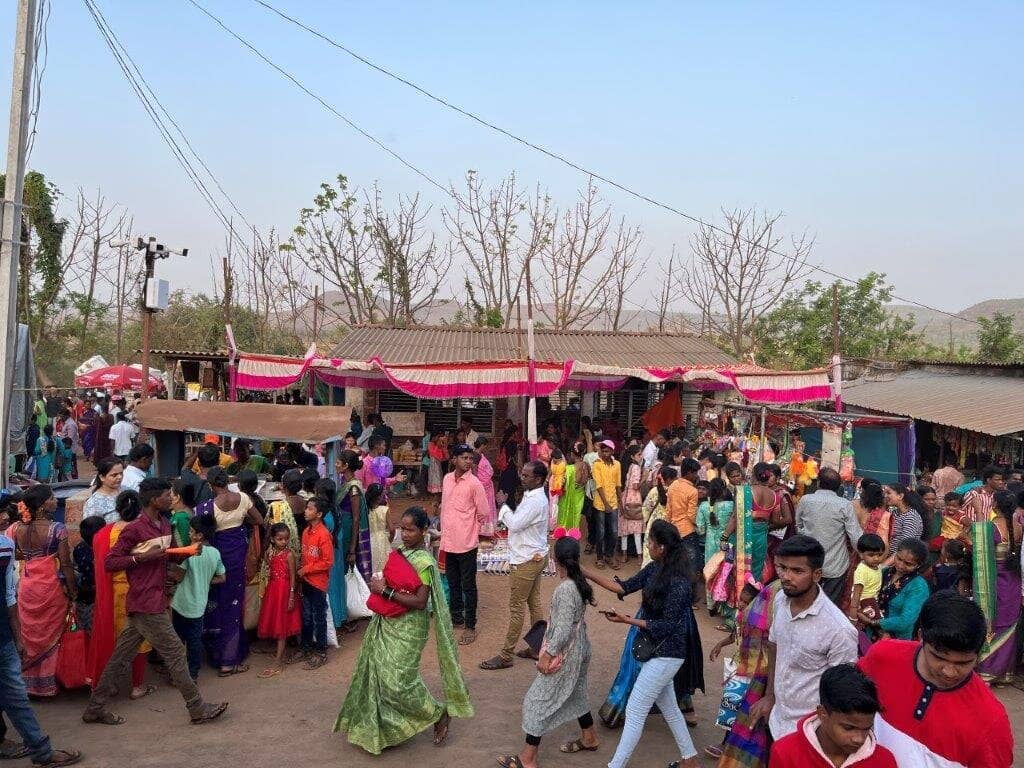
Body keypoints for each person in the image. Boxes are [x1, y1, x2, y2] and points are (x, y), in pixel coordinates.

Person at [82, 478, 228, 726]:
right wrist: (142, 559)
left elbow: (166, 557)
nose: (171, 497)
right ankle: (196, 707)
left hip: (152, 599)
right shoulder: (134, 529)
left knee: (120, 657)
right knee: (175, 654)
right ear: (153, 500)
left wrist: (185, 553)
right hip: (145, 602)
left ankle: (94, 708)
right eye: (166, 494)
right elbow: (110, 562)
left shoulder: (163, 524)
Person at [334, 506, 473, 754]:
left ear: (423, 530)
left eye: (410, 530)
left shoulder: (424, 562)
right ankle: (386, 730)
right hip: (387, 622)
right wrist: (382, 584)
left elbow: (420, 602)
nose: (405, 534)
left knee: (399, 682)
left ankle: (438, 713)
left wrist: (383, 590)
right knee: (379, 675)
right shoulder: (401, 554)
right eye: (402, 528)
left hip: (410, 627)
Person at [581, 520, 701, 767]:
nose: (648, 546)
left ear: (663, 547)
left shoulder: (680, 582)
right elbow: (623, 586)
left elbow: (667, 626)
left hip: (668, 653)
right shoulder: (654, 568)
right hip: (657, 651)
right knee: (669, 707)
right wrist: (583, 571)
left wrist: (627, 621)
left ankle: (615, 766)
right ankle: (690, 759)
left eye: (651, 542)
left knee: (635, 710)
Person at [858, 592, 1013, 766]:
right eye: (939, 657)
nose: (949, 672)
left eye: (964, 663)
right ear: (921, 636)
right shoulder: (882, 658)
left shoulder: (991, 722)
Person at [496, 535, 598, 768]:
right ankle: (590, 737)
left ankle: (528, 758)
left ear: (555, 560)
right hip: (581, 649)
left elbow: (561, 630)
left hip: (565, 654)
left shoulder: (565, 589)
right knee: (577, 693)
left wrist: (546, 654)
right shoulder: (579, 584)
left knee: (536, 701)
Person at [748, 534, 857, 740]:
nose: (786, 577)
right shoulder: (781, 599)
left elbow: (841, 692)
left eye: (797, 571)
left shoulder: (839, 630)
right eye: (783, 568)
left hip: (809, 734)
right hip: (776, 721)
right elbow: (774, 646)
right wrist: (769, 695)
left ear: (817, 575)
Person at [0, 526, 82, 766]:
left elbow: (9, 596)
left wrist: (18, 637)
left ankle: (42, 751)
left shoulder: (5, 546)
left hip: (3, 638)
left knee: (15, 696)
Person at [4, 486, 76, 697]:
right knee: (51, 633)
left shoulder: (16, 528)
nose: (56, 501)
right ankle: (47, 683)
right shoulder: (57, 528)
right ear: (44, 504)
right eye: (53, 498)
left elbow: (15, 555)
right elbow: (66, 565)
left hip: (27, 586)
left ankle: (27, 683)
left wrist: (31, 558)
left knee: (30, 632)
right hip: (50, 586)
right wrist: (73, 591)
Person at [480, 461, 551, 671]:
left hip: (525, 559)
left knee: (517, 607)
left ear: (537, 479)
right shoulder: (534, 496)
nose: (522, 477)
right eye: (522, 473)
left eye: (526, 475)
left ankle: (506, 654)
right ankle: (538, 647)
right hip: (535, 555)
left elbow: (516, 523)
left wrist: (502, 505)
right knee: (533, 602)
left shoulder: (535, 500)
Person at [198, 467, 262, 676]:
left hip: (218, 560)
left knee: (217, 606)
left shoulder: (207, 508)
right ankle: (231, 657)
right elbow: (259, 520)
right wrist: (241, 523)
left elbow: (202, 534)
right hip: (238, 558)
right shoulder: (243, 498)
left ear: (211, 485)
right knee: (235, 607)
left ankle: (220, 657)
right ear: (227, 481)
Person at [768, 663, 897, 768]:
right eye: (848, 728)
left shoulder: (884, 761)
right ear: (822, 714)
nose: (859, 739)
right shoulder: (785, 753)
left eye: (866, 729)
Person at [88, 491, 151, 700]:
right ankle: (137, 686)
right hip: (138, 591)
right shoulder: (142, 531)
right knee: (139, 638)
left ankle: (111, 684)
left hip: (113, 593)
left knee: (114, 639)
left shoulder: (104, 533)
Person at [439, 443, 489, 646]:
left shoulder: (475, 484)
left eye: (470, 458)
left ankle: (470, 625)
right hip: (448, 541)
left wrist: (470, 528)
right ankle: (456, 617)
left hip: (466, 542)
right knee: (452, 582)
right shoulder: (447, 479)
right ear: (454, 460)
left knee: (468, 585)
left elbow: (483, 512)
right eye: (464, 458)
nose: (468, 461)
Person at [794, 467, 863, 606]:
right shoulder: (844, 505)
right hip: (836, 565)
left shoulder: (806, 500)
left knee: (806, 602)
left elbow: (798, 526)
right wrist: (864, 555)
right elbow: (855, 536)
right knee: (829, 607)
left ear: (818, 482)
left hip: (810, 560)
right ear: (838, 486)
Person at [974, 489, 1022, 683]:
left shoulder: (992, 527)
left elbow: (977, 544)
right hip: (1013, 581)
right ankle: (1004, 673)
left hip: (995, 581)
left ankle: (987, 670)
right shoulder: (1018, 525)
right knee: (1008, 624)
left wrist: (978, 512)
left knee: (992, 622)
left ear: (994, 506)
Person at [170, 516, 225, 682]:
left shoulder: (189, 553)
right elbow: (222, 578)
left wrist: (171, 569)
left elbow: (178, 578)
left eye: (190, 531)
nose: (188, 533)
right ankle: (193, 674)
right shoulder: (215, 553)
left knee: (178, 641)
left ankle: (177, 676)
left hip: (181, 603)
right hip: (199, 605)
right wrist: (205, 580)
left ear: (198, 535)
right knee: (194, 642)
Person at [287, 497, 334, 670]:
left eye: (310, 509)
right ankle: (306, 647)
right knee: (306, 616)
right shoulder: (306, 532)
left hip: (318, 583)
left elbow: (328, 562)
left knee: (318, 617)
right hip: (306, 581)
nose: (306, 511)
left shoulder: (324, 534)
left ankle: (321, 651)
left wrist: (306, 570)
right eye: (307, 508)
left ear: (319, 514)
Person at [861, 538, 930, 641]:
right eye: (898, 558)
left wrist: (874, 622)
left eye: (908, 564)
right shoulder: (884, 572)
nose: (900, 565)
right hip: (869, 632)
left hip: (895, 640)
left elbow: (905, 622)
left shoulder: (918, 586)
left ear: (918, 565)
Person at [256, 523, 302, 678]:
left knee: (281, 626)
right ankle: (278, 656)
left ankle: (278, 662)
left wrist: (290, 596)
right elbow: (270, 567)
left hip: (284, 592)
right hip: (274, 592)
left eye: (286, 539)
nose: (284, 542)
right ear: (273, 539)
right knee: (276, 623)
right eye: (280, 539)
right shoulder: (271, 553)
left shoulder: (289, 555)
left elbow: (294, 578)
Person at [664, 457, 701, 588]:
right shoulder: (693, 491)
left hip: (673, 529)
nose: (697, 475)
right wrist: (699, 526)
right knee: (691, 565)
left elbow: (668, 510)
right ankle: (689, 595)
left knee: (673, 562)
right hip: (687, 531)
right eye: (695, 472)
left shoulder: (673, 485)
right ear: (689, 473)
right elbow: (691, 515)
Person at [696, 478, 732, 610]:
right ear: (723, 490)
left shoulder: (704, 506)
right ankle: (723, 605)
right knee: (726, 573)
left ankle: (711, 605)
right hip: (727, 544)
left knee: (710, 572)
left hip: (710, 544)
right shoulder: (730, 505)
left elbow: (700, 530)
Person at [73, 516, 106, 633]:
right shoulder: (106, 548)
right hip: (100, 597)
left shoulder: (78, 548)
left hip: (84, 598)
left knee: (85, 632)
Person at [849, 533, 886, 625]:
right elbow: (856, 593)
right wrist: (853, 615)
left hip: (874, 601)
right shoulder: (862, 570)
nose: (876, 558)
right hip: (865, 602)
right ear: (861, 555)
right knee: (880, 627)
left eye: (879, 555)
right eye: (871, 555)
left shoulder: (877, 567)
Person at [618, 445, 646, 566]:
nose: (641, 457)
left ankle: (624, 555)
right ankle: (639, 556)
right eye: (639, 454)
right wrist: (644, 477)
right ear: (632, 456)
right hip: (634, 498)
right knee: (637, 530)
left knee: (625, 529)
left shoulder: (628, 466)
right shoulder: (635, 467)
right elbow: (635, 486)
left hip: (625, 498)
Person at [883, 484, 930, 549]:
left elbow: (905, 546)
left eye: (888, 493)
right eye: (885, 493)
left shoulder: (911, 516)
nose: (885, 496)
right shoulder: (895, 513)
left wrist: (889, 559)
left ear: (900, 496)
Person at [556, 441, 589, 531]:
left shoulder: (569, 469)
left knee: (565, 517)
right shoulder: (586, 466)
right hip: (580, 495)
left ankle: (565, 535)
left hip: (568, 496)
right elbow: (586, 480)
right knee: (576, 516)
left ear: (572, 454)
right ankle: (574, 534)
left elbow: (562, 484)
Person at [854, 479, 891, 550]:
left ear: (862, 490)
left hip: (853, 549)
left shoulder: (852, 505)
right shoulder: (883, 513)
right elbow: (885, 543)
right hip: (873, 551)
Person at [473, 437, 498, 536]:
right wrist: (476, 482)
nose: (486, 448)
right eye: (486, 445)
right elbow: (475, 469)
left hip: (486, 485)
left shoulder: (479, 455)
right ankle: (482, 529)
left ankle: (485, 529)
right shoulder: (476, 455)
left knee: (487, 506)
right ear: (482, 445)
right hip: (482, 485)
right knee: (483, 506)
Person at [169, 480, 196, 548]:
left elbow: (182, 546)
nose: (166, 497)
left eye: (169, 493)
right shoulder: (191, 511)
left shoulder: (180, 518)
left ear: (177, 498)